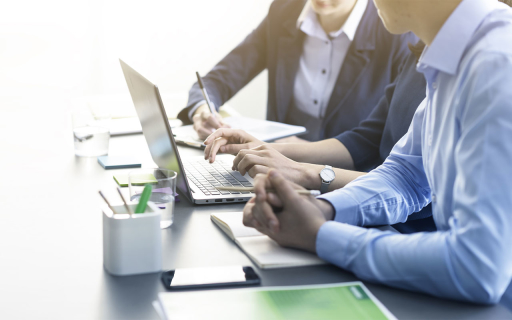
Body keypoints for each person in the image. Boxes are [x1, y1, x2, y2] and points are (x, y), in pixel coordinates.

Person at [240, 0, 512, 304]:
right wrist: (323, 210)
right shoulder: (452, 54)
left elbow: (479, 267)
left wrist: (320, 237)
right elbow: (407, 175)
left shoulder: (497, 63)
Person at [203, 40, 435, 234]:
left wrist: (304, 173)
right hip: (370, 214)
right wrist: (268, 149)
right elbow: (366, 140)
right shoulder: (421, 50)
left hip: (405, 230)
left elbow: (420, 191)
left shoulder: (458, 69)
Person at [178, 0, 416, 141]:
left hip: (345, 180)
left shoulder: (395, 31)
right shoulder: (285, 11)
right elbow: (219, 78)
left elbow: (390, 142)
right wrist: (202, 110)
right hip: (271, 169)